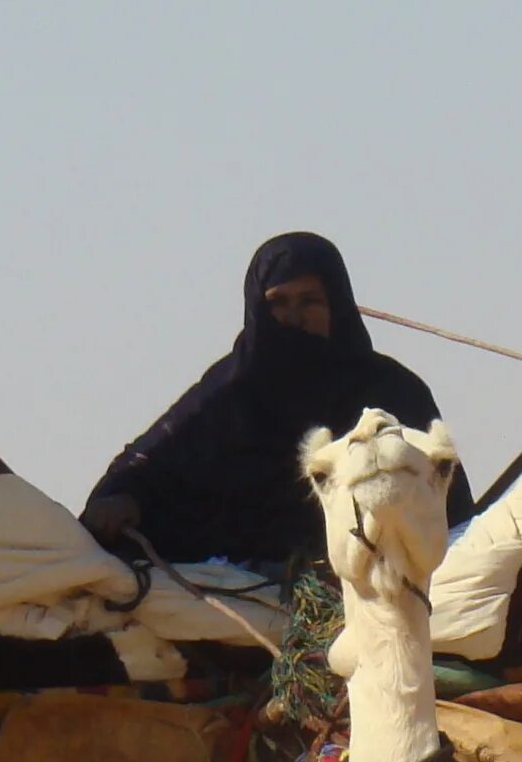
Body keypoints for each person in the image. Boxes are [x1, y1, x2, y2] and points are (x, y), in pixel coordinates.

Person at [79, 232, 467, 567]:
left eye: (309, 301)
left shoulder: (393, 390)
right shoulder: (231, 389)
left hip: (369, 578)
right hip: (235, 581)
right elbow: (154, 460)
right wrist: (122, 498)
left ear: (336, 303)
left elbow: (445, 498)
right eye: (279, 302)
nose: (294, 316)